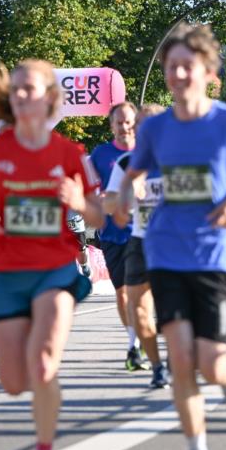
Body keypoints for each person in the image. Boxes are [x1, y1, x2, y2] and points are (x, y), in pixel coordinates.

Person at [117, 23, 226, 450]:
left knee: (210, 360)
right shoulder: (159, 126)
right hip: (165, 252)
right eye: (171, 66)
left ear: (207, 71)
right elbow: (135, 172)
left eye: (188, 65)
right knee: (181, 357)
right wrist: (127, 192)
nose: (178, 73)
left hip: (215, 257)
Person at [0, 59, 103, 450]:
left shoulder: (71, 154)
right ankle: (43, 394)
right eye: (15, 89)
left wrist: (78, 200)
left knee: (41, 366)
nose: (20, 96)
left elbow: (99, 213)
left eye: (30, 89)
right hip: (4, 271)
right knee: (14, 382)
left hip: (53, 269)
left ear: (49, 99)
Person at [105, 104, 169, 389]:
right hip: (141, 241)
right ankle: (157, 365)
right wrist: (126, 194)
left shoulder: (179, 160)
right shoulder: (126, 164)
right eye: (139, 125)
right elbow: (108, 202)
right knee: (140, 309)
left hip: (176, 244)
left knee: (174, 312)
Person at [90, 101, 150, 372]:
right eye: (119, 123)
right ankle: (133, 343)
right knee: (124, 292)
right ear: (111, 125)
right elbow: (89, 190)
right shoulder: (100, 155)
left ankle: (147, 337)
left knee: (147, 292)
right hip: (113, 233)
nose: (124, 127)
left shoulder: (150, 151)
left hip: (147, 233)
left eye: (128, 122)